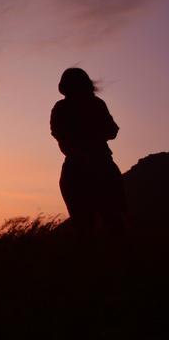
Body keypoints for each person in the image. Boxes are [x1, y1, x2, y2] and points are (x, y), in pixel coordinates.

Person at [50, 68, 127, 238]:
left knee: (89, 227)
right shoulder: (94, 104)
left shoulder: (63, 107)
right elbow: (112, 131)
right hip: (96, 164)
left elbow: (59, 135)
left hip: (82, 166)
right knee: (113, 222)